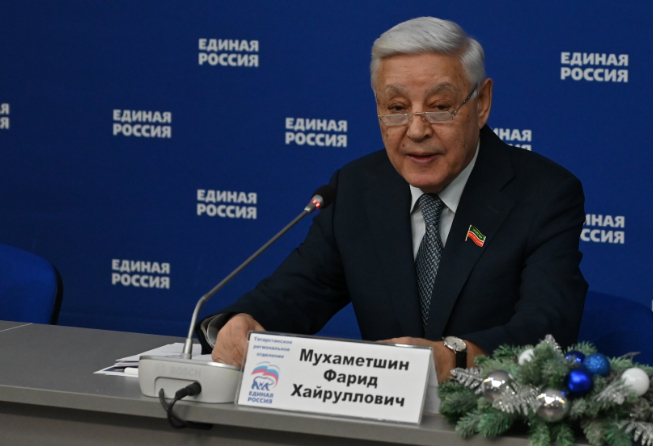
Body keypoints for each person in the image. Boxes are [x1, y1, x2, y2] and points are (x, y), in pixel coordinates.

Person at [199, 17, 588, 382]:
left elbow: (548, 327)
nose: (416, 130)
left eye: (439, 107)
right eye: (397, 109)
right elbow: (297, 293)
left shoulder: (544, 193)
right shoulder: (357, 189)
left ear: (481, 103)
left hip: (490, 409)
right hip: (382, 415)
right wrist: (237, 323)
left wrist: (454, 357)